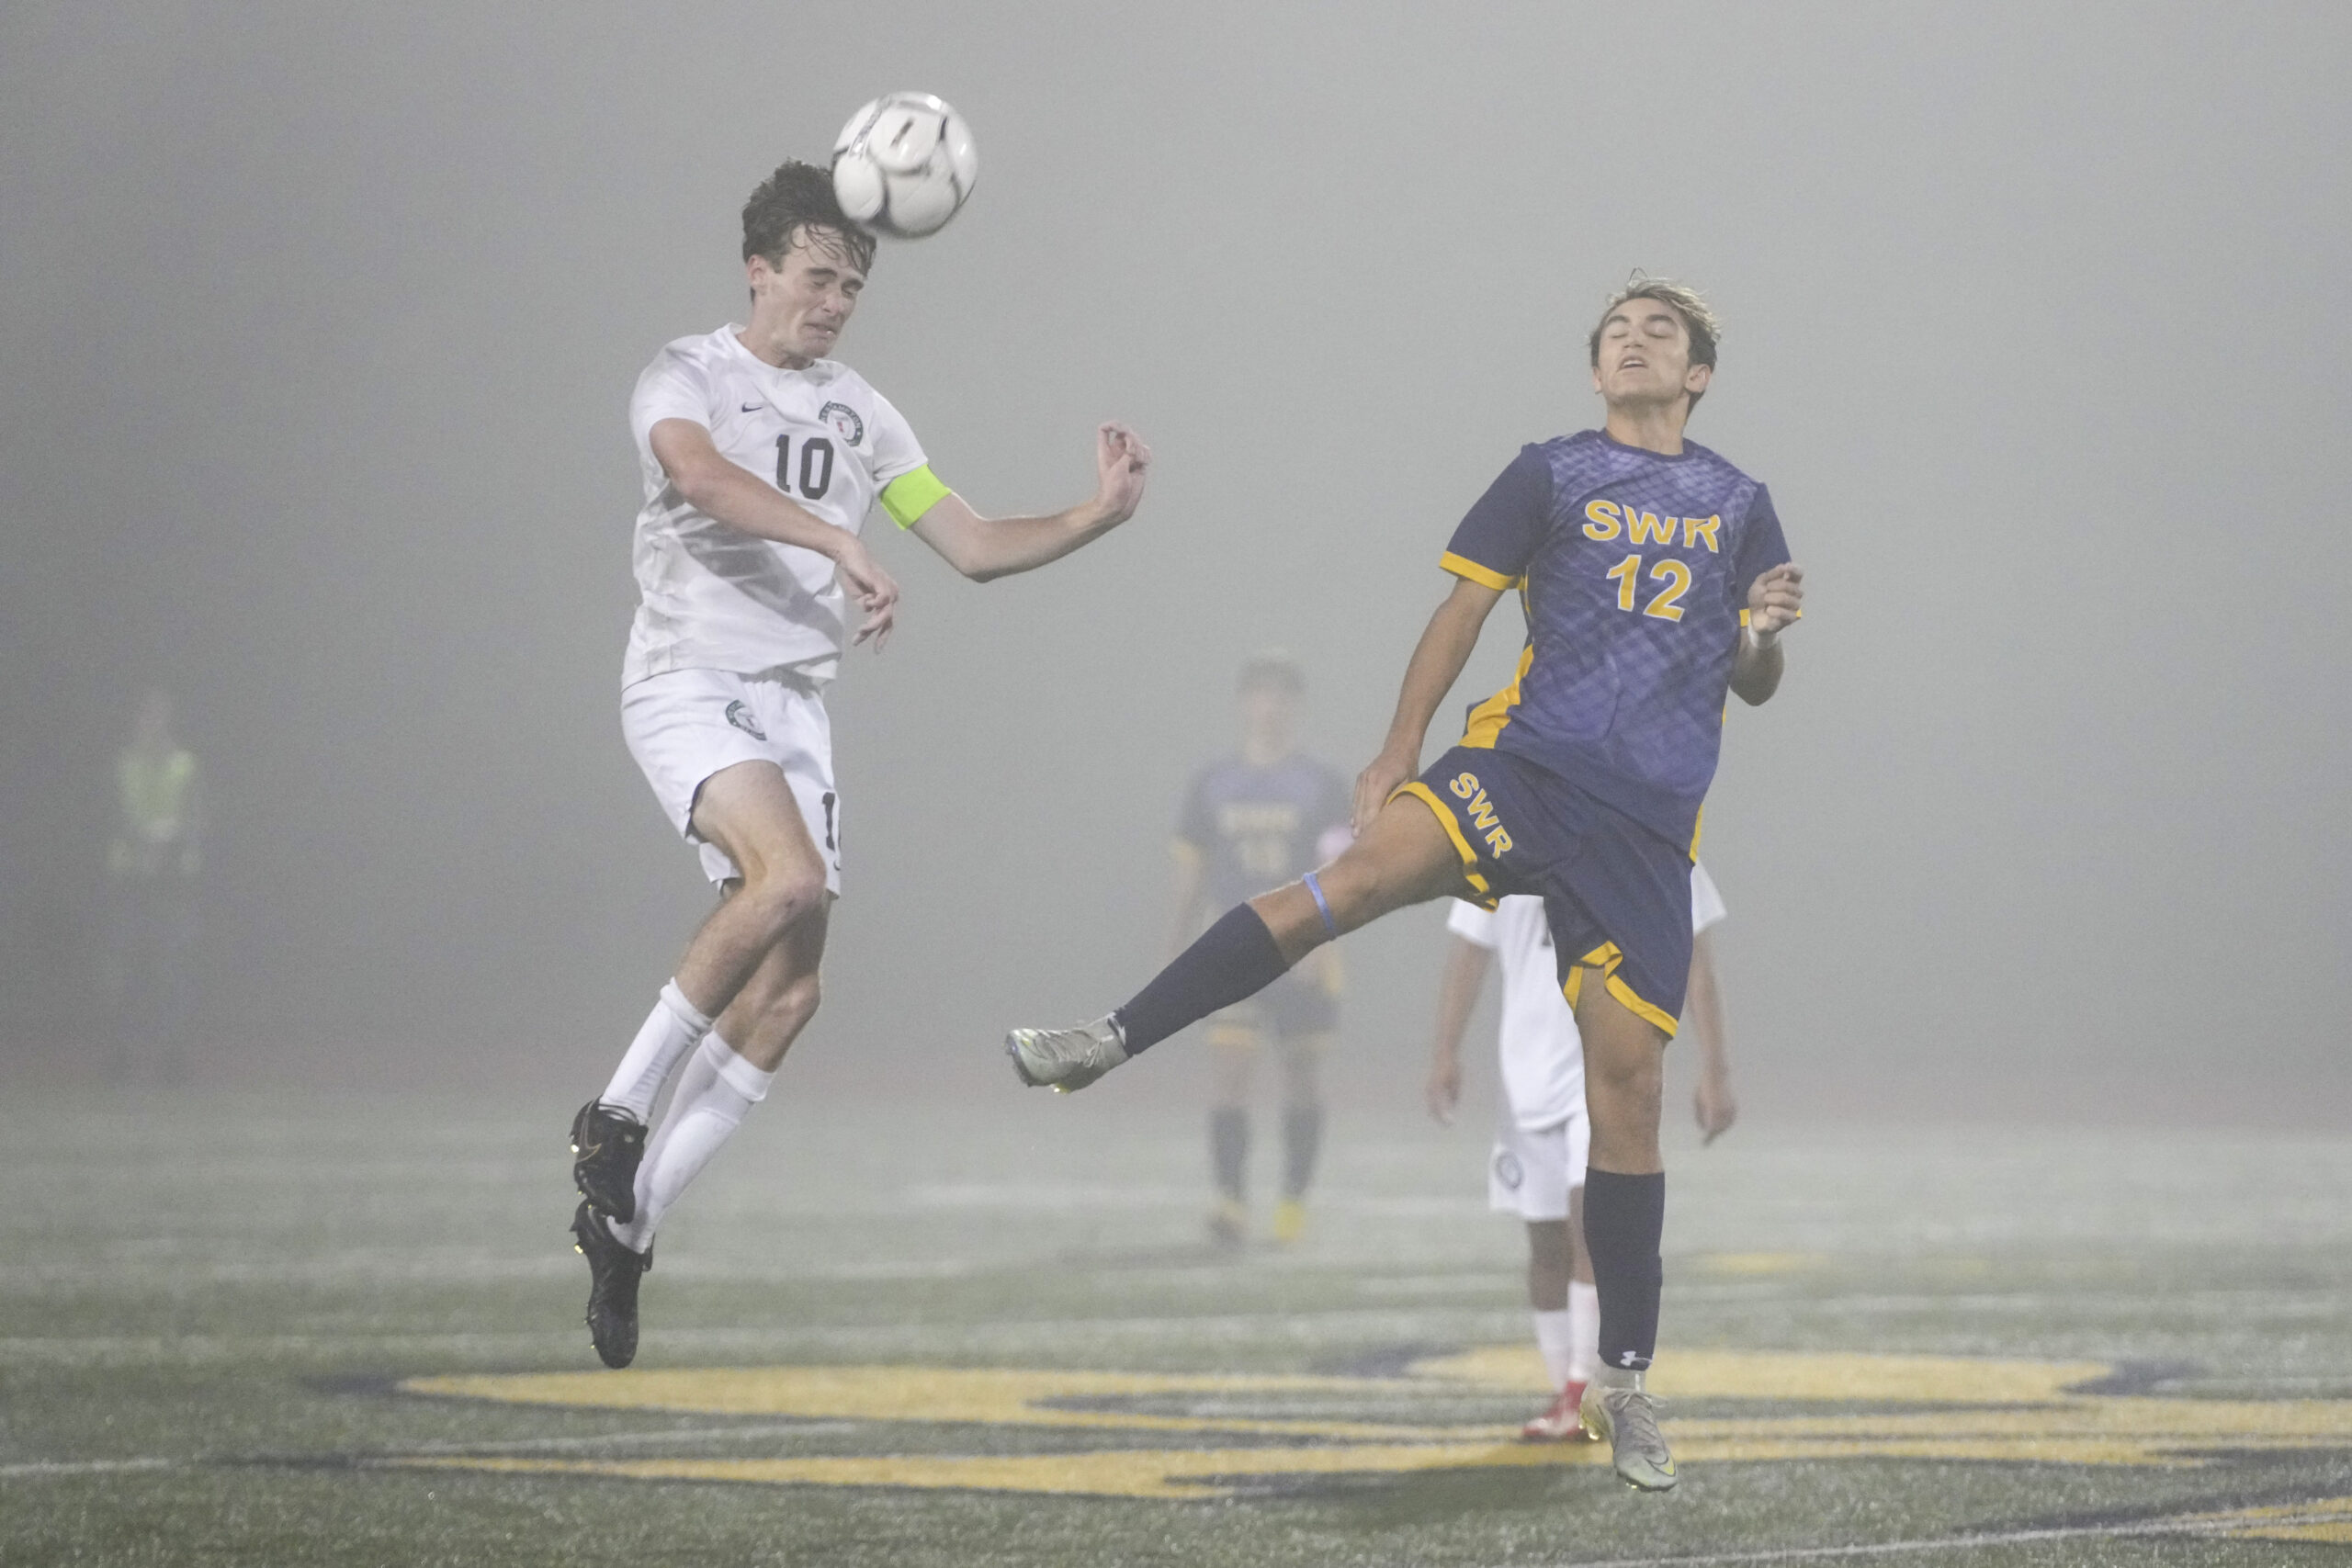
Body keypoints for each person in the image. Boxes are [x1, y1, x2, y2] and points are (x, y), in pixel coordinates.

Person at [1008, 276, 1802, 1491]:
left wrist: (1757, 637)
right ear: (1596, 368)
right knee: (1359, 875)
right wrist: (1396, 745)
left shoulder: (1742, 503)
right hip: (1526, 766)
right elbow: (1462, 608)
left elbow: (1756, 677)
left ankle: (1628, 1383)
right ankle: (1109, 1035)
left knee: (1630, 1089)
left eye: (1664, 332)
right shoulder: (1548, 471)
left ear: (1698, 374)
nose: (1635, 339)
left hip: (1644, 831)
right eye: (1617, 330)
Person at [569, 160, 1151, 1369]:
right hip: (685, 676)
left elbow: (973, 542)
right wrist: (837, 534)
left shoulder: (864, 412)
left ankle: (627, 1225)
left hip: (793, 710)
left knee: (790, 994)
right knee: (776, 882)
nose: (835, 302)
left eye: (853, 286)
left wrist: (1093, 515)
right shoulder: (686, 373)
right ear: (760, 267)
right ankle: (614, 1115)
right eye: (820, 276)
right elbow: (698, 476)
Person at [1425, 865, 1731, 1442]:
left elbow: (1696, 960)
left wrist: (1715, 1068)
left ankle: (1584, 1391)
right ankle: (1564, 1391)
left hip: (1607, 1065)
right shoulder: (1503, 840)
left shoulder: (1652, 834)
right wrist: (1445, 1050)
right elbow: (1470, 949)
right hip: (1525, 1075)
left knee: (1589, 1227)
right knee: (1544, 1244)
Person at [1168, 651, 1352, 1247]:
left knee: (1301, 1076)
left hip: (1301, 951)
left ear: (1294, 707)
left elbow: (1338, 867)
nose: (1270, 707)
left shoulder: (1320, 783)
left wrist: (1323, 944)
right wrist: (1175, 949)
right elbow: (1191, 876)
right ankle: (1230, 1201)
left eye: (1281, 696)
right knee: (1229, 1073)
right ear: (1244, 703)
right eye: (1260, 695)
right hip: (1232, 951)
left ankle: (1293, 1204)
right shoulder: (1212, 783)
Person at [102, 688, 204, 1076]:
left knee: (172, 969)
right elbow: (111, 815)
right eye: (145, 717)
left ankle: (172, 1058)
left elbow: (197, 820)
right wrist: (142, 841)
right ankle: (120, 1056)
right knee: (125, 968)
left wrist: (169, 844)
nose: (152, 725)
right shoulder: (123, 765)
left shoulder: (186, 766)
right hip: (129, 881)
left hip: (174, 883)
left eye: (158, 717)